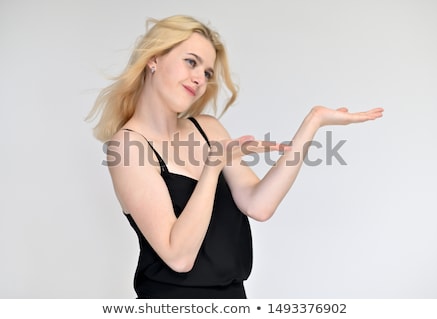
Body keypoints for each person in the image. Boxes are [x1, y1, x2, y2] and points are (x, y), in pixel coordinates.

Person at [86, 15, 383, 299]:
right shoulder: (126, 146)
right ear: (154, 59)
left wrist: (312, 123)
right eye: (191, 62)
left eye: (206, 73)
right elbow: (178, 256)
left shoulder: (208, 128)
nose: (199, 79)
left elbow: (259, 204)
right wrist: (213, 167)